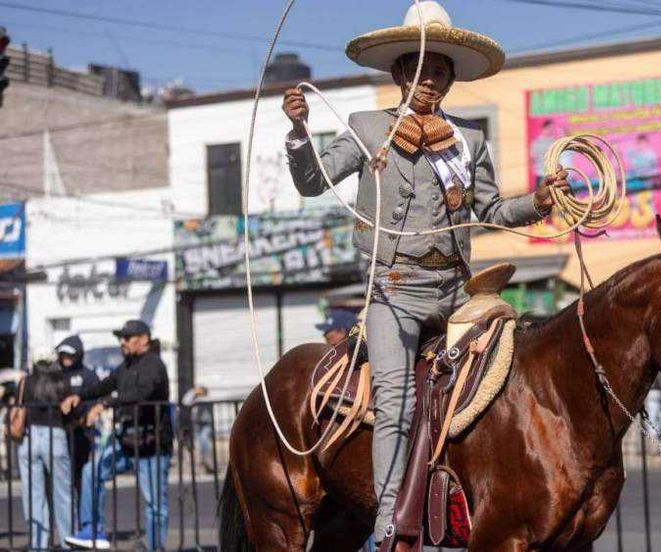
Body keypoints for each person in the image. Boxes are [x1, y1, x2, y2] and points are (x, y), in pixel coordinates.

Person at [282, 2, 568, 548]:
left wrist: (537, 201)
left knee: (512, 376)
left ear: (451, 78)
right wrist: (299, 131)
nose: (429, 80)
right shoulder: (369, 129)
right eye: (419, 69)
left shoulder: (469, 142)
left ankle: (483, 493)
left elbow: (492, 211)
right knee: (397, 398)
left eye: (439, 70)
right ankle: (391, 518)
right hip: (393, 291)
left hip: (456, 293)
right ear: (399, 74)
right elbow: (313, 182)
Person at [60, 320, 173, 550]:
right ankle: (93, 529)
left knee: (154, 505)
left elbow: (142, 393)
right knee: (91, 471)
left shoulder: (154, 364)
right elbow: (104, 385)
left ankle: (155, 548)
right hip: (127, 441)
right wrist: (79, 396)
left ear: (143, 339)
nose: (122, 342)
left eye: (127, 337)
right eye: (120, 337)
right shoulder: (126, 366)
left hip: (152, 445)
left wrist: (105, 403)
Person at [17, 360, 74, 549]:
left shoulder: (26, 382)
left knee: (34, 495)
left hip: (31, 436)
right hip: (55, 434)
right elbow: (69, 412)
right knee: (63, 494)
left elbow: (19, 406)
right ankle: (69, 542)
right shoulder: (62, 382)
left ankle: (38, 544)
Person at [55, 335, 100, 503]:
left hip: (81, 433)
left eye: (70, 355)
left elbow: (95, 398)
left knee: (80, 476)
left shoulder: (88, 375)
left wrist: (85, 416)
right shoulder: (57, 375)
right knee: (60, 478)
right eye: (63, 354)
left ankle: (83, 516)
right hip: (59, 432)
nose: (66, 359)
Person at [180, 386, 214, 474]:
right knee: (199, 443)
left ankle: (207, 462)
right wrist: (193, 392)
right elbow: (185, 401)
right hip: (196, 424)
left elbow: (188, 401)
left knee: (204, 441)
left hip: (205, 424)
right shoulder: (196, 399)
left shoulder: (205, 399)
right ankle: (202, 463)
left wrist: (194, 393)